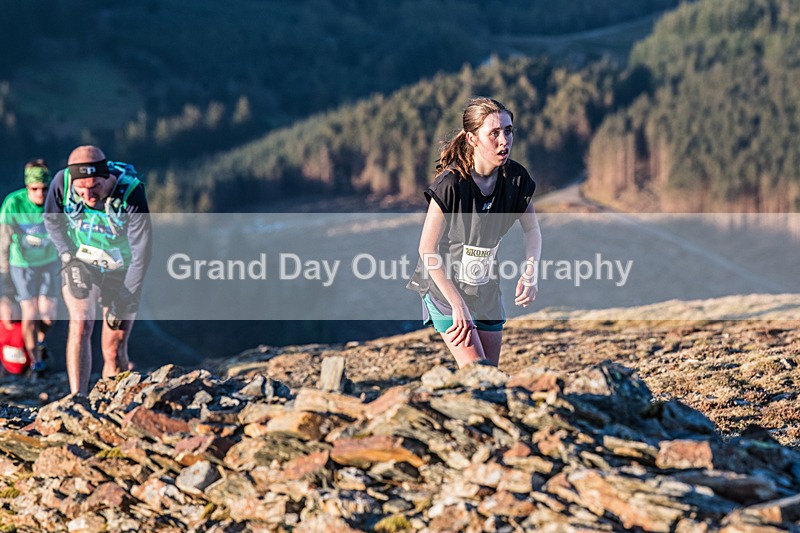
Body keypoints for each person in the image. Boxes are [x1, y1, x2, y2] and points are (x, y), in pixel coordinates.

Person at [408, 97, 542, 368]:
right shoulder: (451, 184)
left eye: (508, 130)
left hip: (484, 287)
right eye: (494, 133)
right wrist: (457, 305)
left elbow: (533, 230)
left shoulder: (516, 179)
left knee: (489, 375)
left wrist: (530, 272)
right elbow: (426, 249)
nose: (504, 140)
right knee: (477, 373)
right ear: (472, 138)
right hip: (444, 289)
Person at [44, 145, 152, 395]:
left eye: (95, 187)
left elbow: (142, 252)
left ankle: (115, 402)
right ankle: (77, 400)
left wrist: (128, 293)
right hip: (81, 263)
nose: (89, 196)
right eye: (81, 189)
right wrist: (67, 256)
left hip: (122, 272)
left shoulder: (131, 192)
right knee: (81, 322)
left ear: (106, 177)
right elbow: (52, 220)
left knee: (114, 347)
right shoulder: (62, 182)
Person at [0, 159, 60, 376]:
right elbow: (3, 243)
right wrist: (5, 280)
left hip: (48, 262)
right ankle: (35, 361)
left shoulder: (56, 201)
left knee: (48, 315)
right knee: (30, 312)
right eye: (35, 189)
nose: (40, 194)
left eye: (44, 189)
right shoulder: (13, 203)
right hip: (22, 265)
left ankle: (39, 342)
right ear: (27, 187)